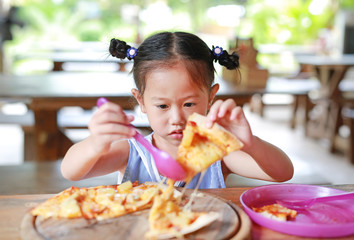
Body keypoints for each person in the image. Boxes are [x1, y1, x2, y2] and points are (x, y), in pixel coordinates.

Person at [61, 31, 293, 189]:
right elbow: (71, 172)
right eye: (162, 106)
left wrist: (250, 143)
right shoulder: (131, 153)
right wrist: (95, 144)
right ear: (140, 100)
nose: (176, 119)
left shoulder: (217, 154)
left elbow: (283, 173)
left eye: (189, 104)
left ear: (211, 97)